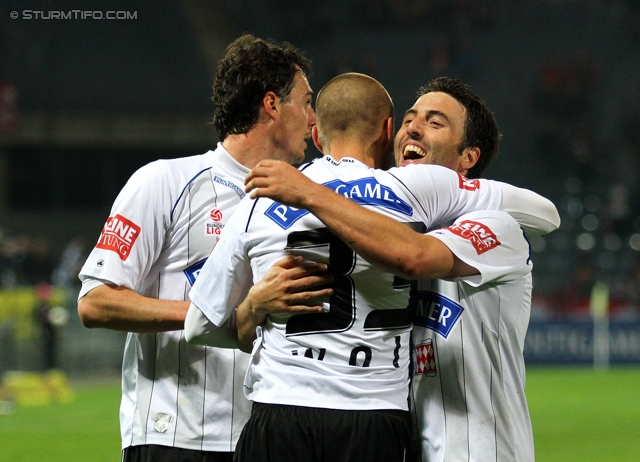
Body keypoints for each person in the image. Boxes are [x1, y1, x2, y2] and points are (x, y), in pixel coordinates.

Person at [185, 73, 557, 462]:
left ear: (469, 158)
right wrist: (254, 307)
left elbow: (417, 255)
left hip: (477, 450)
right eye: (410, 118)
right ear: (387, 131)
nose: (415, 127)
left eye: (434, 122)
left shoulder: (497, 227)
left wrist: (312, 193)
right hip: (383, 427)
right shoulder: (408, 199)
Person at [76, 34, 327, 462]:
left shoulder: (305, 200)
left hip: (266, 438)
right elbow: (96, 302)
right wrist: (226, 313)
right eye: (305, 103)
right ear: (271, 104)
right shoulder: (165, 182)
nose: (313, 120)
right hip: (176, 438)